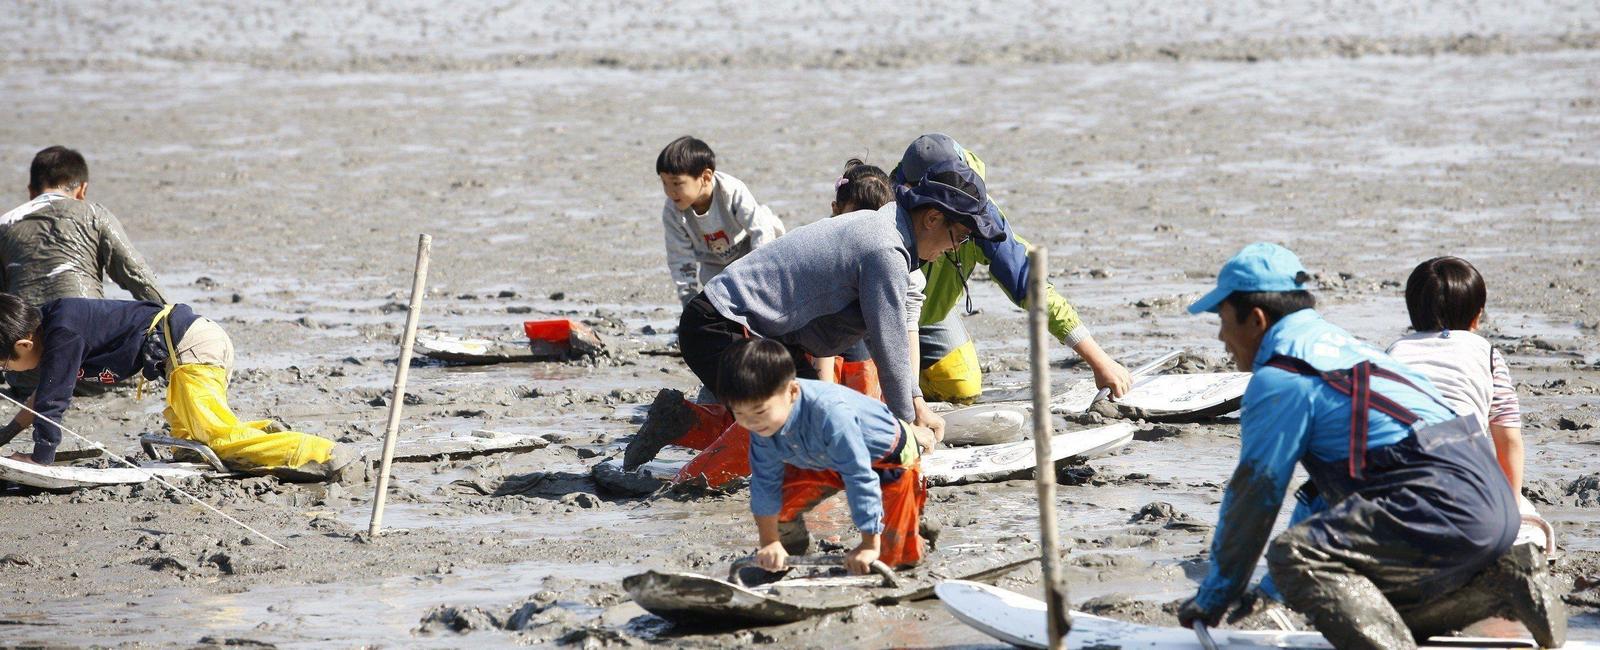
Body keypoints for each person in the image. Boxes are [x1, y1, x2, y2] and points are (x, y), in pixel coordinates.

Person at [1177, 243, 1562, 649]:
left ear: (1256, 319)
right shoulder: (1351, 348)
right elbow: (1326, 496)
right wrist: (1271, 592)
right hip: (1495, 508)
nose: (1221, 336)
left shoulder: (1284, 376)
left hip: (1438, 507)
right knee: (1370, 602)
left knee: (1295, 555)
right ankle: (1504, 581)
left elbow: (1255, 495)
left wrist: (1215, 595)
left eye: (1221, 320)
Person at [625, 150, 1003, 486]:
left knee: (812, 429)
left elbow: (883, 337)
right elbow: (889, 344)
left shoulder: (889, 229)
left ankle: (681, 421)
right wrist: (906, 430)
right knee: (788, 423)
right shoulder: (885, 249)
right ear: (933, 218)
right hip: (722, 325)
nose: (955, 249)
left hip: (763, 335)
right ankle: (681, 485)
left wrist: (917, 405)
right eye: (960, 238)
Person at [0, 293, 352, 481]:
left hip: (191, 350)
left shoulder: (62, 334)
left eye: (5, 364)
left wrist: (40, 458)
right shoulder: (49, 322)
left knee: (216, 440)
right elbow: (43, 393)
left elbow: (52, 400)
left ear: (24, 345)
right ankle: (263, 433)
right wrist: (7, 433)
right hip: (187, 349)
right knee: (190, 447)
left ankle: (322, 453)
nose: (7, 370)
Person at [889, 134, 1128, 404]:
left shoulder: (973, 212)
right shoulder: (885, 214)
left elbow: (1026, 280)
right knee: (870, 388)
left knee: (961, 388)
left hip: (929, 314)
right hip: (876, 316)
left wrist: (1099, 360)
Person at [724, 339, 930, 572]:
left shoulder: (831, 414)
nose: (750, 422)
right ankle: (791, 549)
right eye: (739, 413)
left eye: (760, 411)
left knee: (897, 558)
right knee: (779, 507)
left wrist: (869, 544)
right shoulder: (762, 425)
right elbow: (764, 484)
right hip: (822, 460)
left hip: (889, 460)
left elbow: (859, 477)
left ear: (792, 391)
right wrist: (769, 542)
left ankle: (915, 529)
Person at [1, 146, 167, 392]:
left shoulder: (5, 225)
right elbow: (138, 277)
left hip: (28, 375)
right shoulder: (94, 215)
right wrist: (171, 328)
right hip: (91, 366)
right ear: (82, 190)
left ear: (31, 192)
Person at [1386, 256, 1524, 493]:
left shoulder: (1395, 353)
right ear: (1477, 316)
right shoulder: (1487, 355)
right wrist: (1513, 508)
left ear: (1413, 311)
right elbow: (1509, 441)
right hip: (1468, 483)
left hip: (1402, 484)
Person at [656, 136, 786, 306]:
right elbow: (679, 257)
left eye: (676, 183)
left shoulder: (731, 191)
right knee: (722, 304)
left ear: (705, 177)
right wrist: (688, 297)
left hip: (752, 252)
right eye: (664, 183)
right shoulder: (673, 212)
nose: (670, 192)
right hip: (715, 264)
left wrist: (757, 277)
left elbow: (760, 231)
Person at [812, 159, 898, 400]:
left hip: (856, 330)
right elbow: (822, 327)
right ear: (836, 210)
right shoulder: (825, 248)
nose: (865, 230)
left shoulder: (888, 248)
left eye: (873, 220)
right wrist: (824, 393)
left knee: (866, 391)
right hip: (813, 333)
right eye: (857, 217)